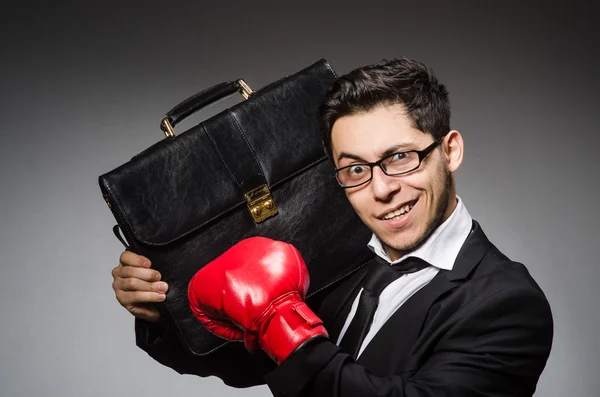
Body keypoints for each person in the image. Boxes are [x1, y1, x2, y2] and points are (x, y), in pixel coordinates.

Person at [111, 57, 553, 396]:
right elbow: (256, 364)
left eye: (400, 157)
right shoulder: (343, 258)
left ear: (450, 151)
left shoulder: (507, 303)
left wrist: (282, 324)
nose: (381, 190)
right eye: (356, 169)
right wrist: (161, 312)